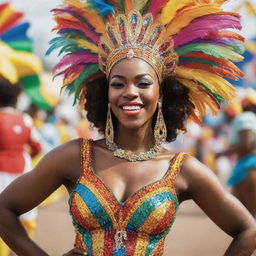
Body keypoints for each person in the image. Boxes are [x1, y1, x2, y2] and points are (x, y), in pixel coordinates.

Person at [0, 0, 256, 255]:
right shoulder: (75, 156)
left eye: (143, 83)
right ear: (106, 94)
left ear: (162, 94)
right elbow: (4, 209)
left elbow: (248, 230)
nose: (130, 92)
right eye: (118, 84)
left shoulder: (181, 169)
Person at [0, 76, 42, 256]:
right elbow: (37, 147)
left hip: (1, 172)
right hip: (23, 169)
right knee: (26, 216)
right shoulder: (25, 119)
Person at [217, 90, 256, 218]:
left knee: (248, 218)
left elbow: (246, 144)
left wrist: (222, 153)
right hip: (247, 166)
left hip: (249, 167)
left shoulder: (246, 118)